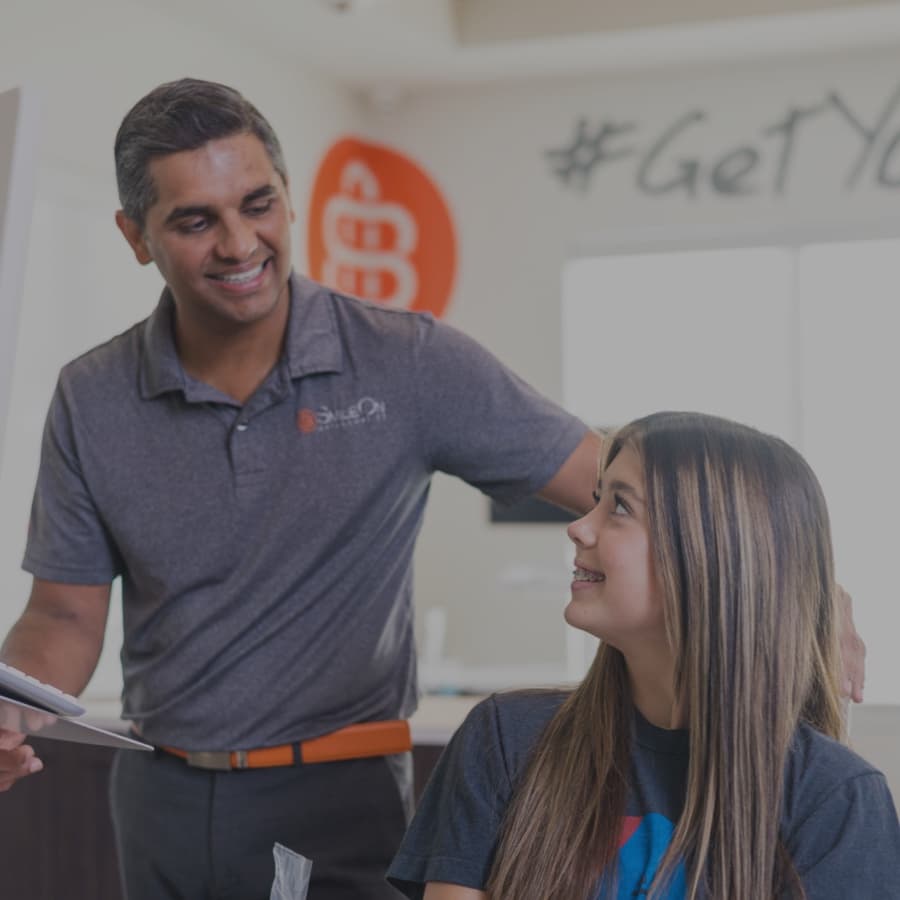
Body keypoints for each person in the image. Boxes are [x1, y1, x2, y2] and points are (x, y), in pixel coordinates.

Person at [0, 78, 601, 899]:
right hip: (159, 798)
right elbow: (63, 615)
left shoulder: (407, 361)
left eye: (259, 204)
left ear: (291, 199)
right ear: (135, 236)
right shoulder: (92, 395)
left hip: (337, 797)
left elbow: (619, 484)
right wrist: (12, 708)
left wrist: (808, 582)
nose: (240, 243)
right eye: (195, 220)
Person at [387, 412, 900, 900]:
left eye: (620, 507)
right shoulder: (503, 740)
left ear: (711, 553)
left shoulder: (836, 800)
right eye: (595, 500)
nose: (578, 527)